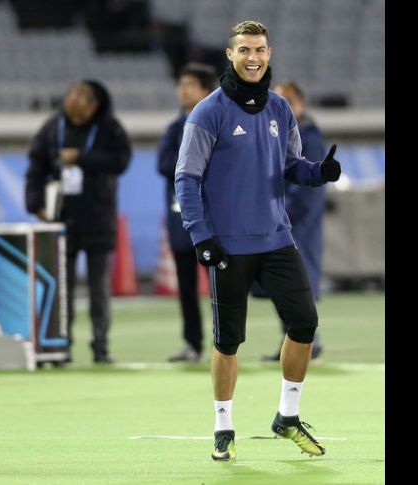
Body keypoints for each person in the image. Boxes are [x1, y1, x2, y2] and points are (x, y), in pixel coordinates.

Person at [174, 21, 341, 461]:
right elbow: (186, 178)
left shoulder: (281, 109)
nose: (254, 57)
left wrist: (317, 173)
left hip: (277, 239)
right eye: (245, 49)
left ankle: (287, 416)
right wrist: (200, 235)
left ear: (269, 54)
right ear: (230, 56)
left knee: (304, 323)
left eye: (261, 49)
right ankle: (223, 424)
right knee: (228, 341)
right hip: (228, 246)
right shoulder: (208, 112)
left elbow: (291, 166)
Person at [25, 80, 132, 363]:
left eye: (80, 98)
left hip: (99, 216)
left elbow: (121, 161)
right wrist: (35, 204)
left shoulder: (110, 128)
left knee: (99, 288)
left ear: (94, 105)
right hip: (62, 217)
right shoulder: (52, 128)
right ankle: (60, 346)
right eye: (71, 94)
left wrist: (82, 157)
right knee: (61, 287)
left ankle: (101, 345)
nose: (73, 101)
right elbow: (35, 167)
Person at [259, 81, 327, 362]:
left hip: (298, 222)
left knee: (298, 281)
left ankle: (308, 341)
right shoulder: (275, 134)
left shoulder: (309, 136)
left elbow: (308, 184)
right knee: (282, 285)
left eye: (287, 100)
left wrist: (281, 212)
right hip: (282, 218)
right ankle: (293, 339)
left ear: (300, 104)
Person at [158, 62, 217, 364]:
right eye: (180, 84)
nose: (182, 90)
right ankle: (192, 343)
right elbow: (163, 164)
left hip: (215, 219)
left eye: (190, 84)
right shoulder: (173, 128)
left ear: (206, 90)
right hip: (181, 217)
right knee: (186, 288)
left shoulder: (218, 122)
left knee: (224, 286)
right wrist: (192, 164)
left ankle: (227, 343)